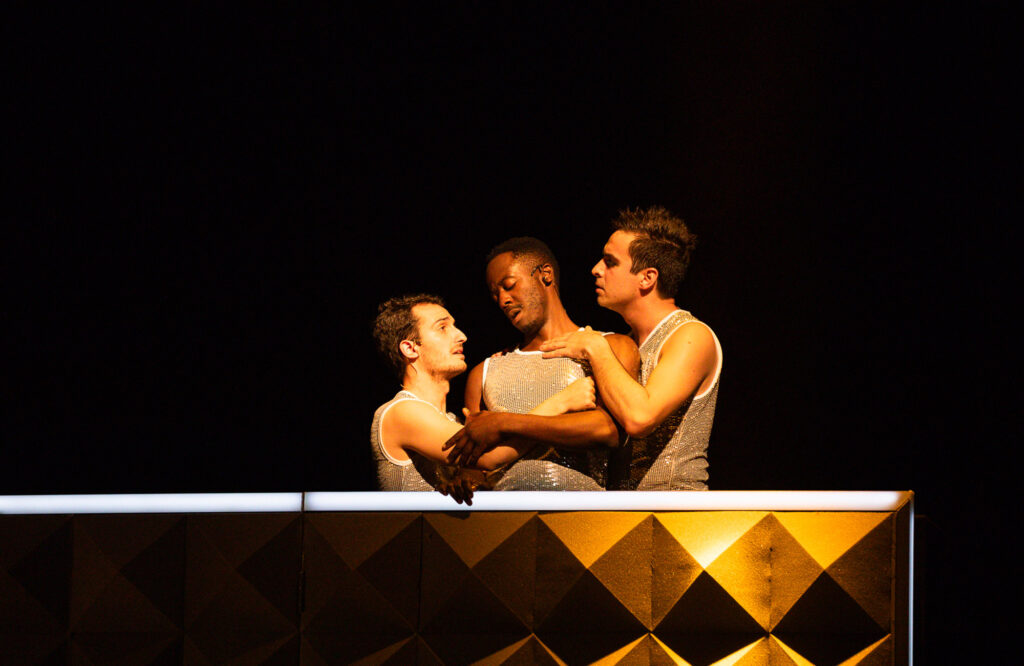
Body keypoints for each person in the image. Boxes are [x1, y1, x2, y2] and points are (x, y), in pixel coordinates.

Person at [540, 207, 722, 490]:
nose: (596, 269)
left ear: (647, 278)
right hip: (622, 509)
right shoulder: (626, 343)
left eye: (610, 262)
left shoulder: (690, 335)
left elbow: (640, 417)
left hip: (675, 509)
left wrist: (595, 346)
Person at [443, 237, 641, 490]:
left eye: (509, 285)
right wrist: (466, 478)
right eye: (495, 295)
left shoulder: (610, 346)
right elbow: (475, 463)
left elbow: (607, 431)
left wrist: (503, 422)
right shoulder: (484, 372)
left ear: (545, 275)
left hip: (583, 510)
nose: (503, 300)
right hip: (508, 513)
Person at [370, 293, 596, 502]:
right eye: (442, 328)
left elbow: (484, 473)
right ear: (410, 348)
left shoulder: (452, 421)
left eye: (454, 326)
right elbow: (489, 458)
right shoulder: (402, 411)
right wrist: (561, 402)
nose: (461, 336)